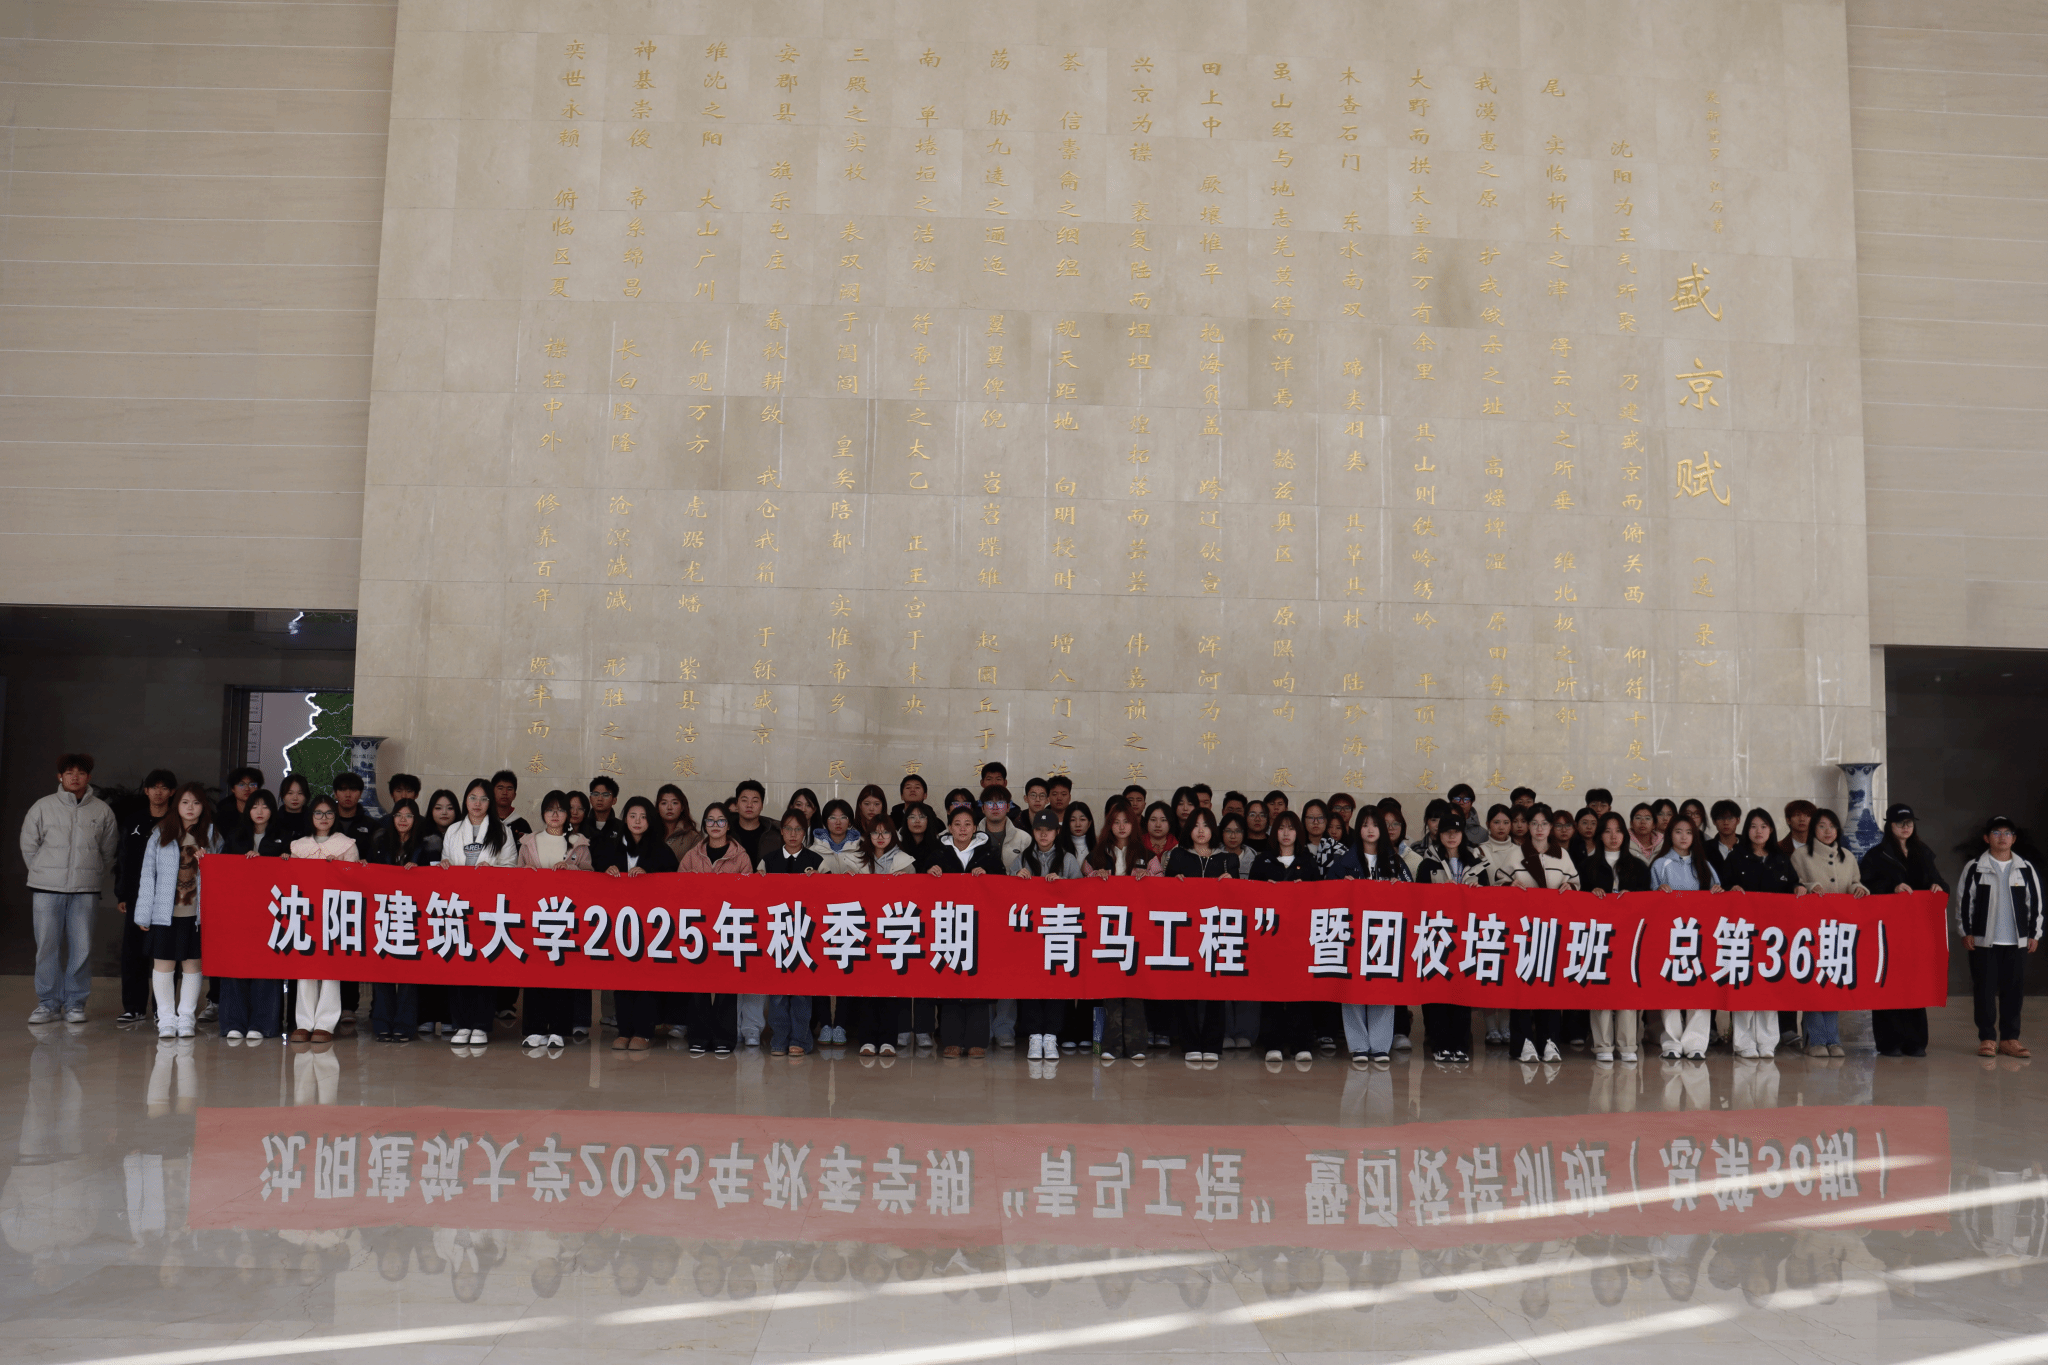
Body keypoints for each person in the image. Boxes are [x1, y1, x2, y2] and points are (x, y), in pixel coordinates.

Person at [20, 752, 118, 1024]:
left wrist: (91, 873)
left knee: (81, 949)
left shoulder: (102, 810)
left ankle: (75, 1004)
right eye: (69, 772)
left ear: (89, 777)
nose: (75, 777)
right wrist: (44, 872)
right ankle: (48, 1004)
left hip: (84, 891)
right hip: (46, 890)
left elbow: (108, 851)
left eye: (81, 773)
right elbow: (29, 845)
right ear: (60, 777)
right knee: (46, 948)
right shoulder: (42, 807)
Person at [1860, 803, 1948, 1057]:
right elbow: (1866, 887)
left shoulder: (1923, 852)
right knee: (1887, 981)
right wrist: (1893, 887)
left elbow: (1940, 882)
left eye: (1909, 823)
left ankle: (1915, 1041)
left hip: (1917, 930)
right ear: (1889, 826)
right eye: (1900, 823)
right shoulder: (1876, 855)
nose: (1905, 827)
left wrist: (1937, 886)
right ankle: (1889, 1042)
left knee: (1914, 982)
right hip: (1887, 931)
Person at [133, 782, 219, 1040]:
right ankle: (166, 1019)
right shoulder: (161, 833)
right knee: (163, 965)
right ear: (176, 805)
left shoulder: (212, 835)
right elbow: (148, 874)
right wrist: (143, 913)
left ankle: (186, 1018)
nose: (190, 808)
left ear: (203, 807)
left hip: (197, 915)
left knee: (193, 965)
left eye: (196, 802)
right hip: (164, 913)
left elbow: (222, 875)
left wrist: (208, 861)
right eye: (185, 802)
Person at [438, 778, 517, 1046]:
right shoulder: (453, 830)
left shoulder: (502, 831)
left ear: (490, 803)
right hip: (458, 907)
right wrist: (444, 864)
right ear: (465, 800)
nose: (477, 803)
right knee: (459, 965)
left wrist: (493, 871)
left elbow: (511, 867)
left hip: (488, 907)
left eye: (483, 799)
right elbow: (446, 861)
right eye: (473, 797)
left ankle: (481, 1024)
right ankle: (461, 1024)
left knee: (484, 966)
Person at [1955, 814, 2041, 1059]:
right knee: (1984, 991)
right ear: (1986, 838)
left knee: (2013, 992)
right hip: (1984, 942)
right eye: (1996, 833)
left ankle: (2010, 1040)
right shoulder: (1975, 867)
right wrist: (1966, 931)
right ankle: (1987, 1039)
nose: (2002, 837)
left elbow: (2035, 903)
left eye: (2007, 833)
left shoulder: (2025, 868)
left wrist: (2034, 934)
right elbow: (1964, 902)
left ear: (2014, 839)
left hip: (2016, 942)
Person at [596, 796, 677, 1052]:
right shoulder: (612, 847)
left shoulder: (661, 849)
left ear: (650, 820)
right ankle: (624, 1031)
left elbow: (674, 884)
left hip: (651, 927)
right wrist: (607, 873)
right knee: (622, 979)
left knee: (646, 980)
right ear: (625, 818)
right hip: (620, 925)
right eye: (632, 816)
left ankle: (644, 1031)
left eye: (643, 817)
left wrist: (650, 877)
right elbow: (595, 879)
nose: (637, 821)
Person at [514, 791, 591, 1050]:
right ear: (543, 813)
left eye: (560, 810)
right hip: (535, 917)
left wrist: (572, 869)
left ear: (568, 814)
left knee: (562, 974)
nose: (555, 815)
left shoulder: (579, 844)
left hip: (565, 917)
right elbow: (515, 878)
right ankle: (534, 1029)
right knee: (535, 973)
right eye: (550, 809)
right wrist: (524, 873)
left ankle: (559, 1029)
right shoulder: (529, 842)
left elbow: (591, 877)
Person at [925, 806, 1003, 1057]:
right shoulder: (937, 854)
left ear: (975, 828)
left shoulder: (989, 853)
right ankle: (951, 1040)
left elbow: (1002, 884)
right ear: (949, 827)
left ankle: (977, 1040)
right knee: (950, 980)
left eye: (967, 824)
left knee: (978, 982)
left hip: (980, 927)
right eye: (957, 824)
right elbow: (922, 889)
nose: (962, 829)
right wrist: (930, 873)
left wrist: (988, 876)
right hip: (948, 925)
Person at [1722, 808, 1799, 1058]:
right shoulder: (1735, 858)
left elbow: (1792, 885)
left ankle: (1767, 1041)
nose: (1759, 831)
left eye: (1764, 826)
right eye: (1754, 826)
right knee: (1745, 987)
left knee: (1769, 986)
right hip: (1743, 933)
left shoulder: (1781, 859)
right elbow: (1722, 888)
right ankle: (1743, 1042)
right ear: (1747, 830)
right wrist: (1731, 889)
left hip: (1773, 935)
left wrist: (1799, 888)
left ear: (1771, 830)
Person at [1790, 807, 1866, 1058]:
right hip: (1811, 929)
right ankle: (1816, 1039)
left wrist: (1858, 888)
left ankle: (1833, 1039)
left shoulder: (1848, 856)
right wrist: (1809, 886)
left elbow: (1854, 881)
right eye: (1822, 826)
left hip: (1839, 930)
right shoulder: (1801, 855)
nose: (1827, 831)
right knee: (1814, 984)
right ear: (1814, 829)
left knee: (1833, 983)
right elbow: (1794, 883)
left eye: (1832, 826)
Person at [288, 794, 362, 1042]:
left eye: (329, 813)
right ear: (311, 816)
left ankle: (326, 1023)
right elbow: (290, 879)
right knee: (305, 966)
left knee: (331, 967)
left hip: (335, 911)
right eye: (318, 813)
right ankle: (304, 1023)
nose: (324, 818)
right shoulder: (298, 846)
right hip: (306, 910)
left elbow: (354, 879)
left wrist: (340, 868)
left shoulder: (346, 845)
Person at [679, 802, 752, 1055]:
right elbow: (679, 888)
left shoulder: (741, 857)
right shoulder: (692, 856)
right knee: (697, 984)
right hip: (697, 927)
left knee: (726, 984)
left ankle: (724, 1038)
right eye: (710, 820)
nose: (715, 825)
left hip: (728, 926)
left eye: (721, 820)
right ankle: (698, 1036)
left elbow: (748, 893)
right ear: (704, 825)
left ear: (728, 825)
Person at [1510, 808, 1578, 1062]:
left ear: (1551, 827)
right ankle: (1523, 1043)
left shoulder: (1562, 855)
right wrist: (1509, 887)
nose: (1539, 829)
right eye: (1534, 823)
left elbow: (1575, 885)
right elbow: (1498, 887)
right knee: (1522, 987)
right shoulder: (1515, 854)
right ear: (1527, 826)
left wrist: (1570, 887)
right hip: (1523, 930)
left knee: (1550, 987)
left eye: (1544, 824)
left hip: (1553, 930)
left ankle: (1550, 1041)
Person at [218, 788, 287, 1040]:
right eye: (255, 806)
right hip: (238, 911)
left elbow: (289, 873)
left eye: (265, 806)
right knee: (235, 965)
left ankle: (263, 1024)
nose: (259, 811)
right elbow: (222, 869)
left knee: (266, 967)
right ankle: (233, 1023)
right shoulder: (235, 836)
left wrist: (273, 859)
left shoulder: (283, 837)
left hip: (270, 913)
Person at [1650, 815, 1721, 1060]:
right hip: (1670, 936)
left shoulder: (1704, 865)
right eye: (1678, 831)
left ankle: (1696, 1043)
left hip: (1699, 936)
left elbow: (1717, 897)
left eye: (1689, 832)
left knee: (1699, 987)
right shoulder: (1660, 865)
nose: (1683, 837)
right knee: (1669, 988)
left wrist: (1717, 891)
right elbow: (1649, 901)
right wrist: (1658, 892)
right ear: (1670, 835)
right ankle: (1671, 1041)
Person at [1579, 812, 1649, 1062]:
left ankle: (1628, 1044)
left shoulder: (1638, 866)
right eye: (1607, 831)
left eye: (1618, 830)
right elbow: (1577, 901)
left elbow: (1648, 902)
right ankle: (1603, 1045)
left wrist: (1633, 898)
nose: (1613, 836)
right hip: (1598, 935)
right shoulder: (1587, 865)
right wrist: (1592, 895)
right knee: (1600, 988)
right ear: (1600, 835)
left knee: (1627, 988)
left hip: (1629, 936)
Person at [1252, 811, 1319, 1063]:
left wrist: (1306, 891)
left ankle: (1302, 1044)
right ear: (1274, 832)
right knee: (1271, 993)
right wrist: (1264, 891)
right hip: (1270, 937)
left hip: (1300, 939)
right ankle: (1273, 1044)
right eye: (1281, 828)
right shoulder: (1262, 861)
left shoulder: (1307, 861)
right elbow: (1249, 896)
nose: (1286, 833)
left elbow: (1321, 897)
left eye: (1291, 828)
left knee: (1299, 993)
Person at [114, 768, 178, 1024]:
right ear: (146, 791)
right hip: (136, 896)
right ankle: (134, 1007)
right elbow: (123, 859)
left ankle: (163, 1010)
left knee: (166, 953)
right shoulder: (134, 821)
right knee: (133, 954)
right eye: (154, 787)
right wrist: (122, 894)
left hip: (168, 898)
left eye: (164, 788)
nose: (159, 792)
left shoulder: (176, 821)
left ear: (172, 792)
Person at [1414, 823, 1477, 1063]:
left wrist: (1478, 890)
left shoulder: (1476, 863)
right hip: (1436, 933)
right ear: (1439, 835)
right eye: (1447, 832)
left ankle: (1460, 1045)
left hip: (1466, 935)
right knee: (1437, 990)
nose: (1452, 836)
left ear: (1463, 835)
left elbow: (1490, 899)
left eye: (1456, 832)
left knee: (1462, 991)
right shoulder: (1428, 864)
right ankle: (1439, 1044)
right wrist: (1440, 891)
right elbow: (1418, 896)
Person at [330, 772, 380, 857]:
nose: (348, 795)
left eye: (353, 790)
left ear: (360, 794)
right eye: (343, 790)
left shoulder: (372, 826)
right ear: (335, 794)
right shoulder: (326, 822)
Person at [979, 786, 1031, 863]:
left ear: (1008, 807)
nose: (995, 807)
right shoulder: (972, 837)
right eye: (990, 803)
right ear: (983, 808)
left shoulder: (1024, 838)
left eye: (1000, 803)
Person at [217, 765, 262, 848]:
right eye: (241, 784)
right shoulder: (223, 813)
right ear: (232, 788)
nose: (247, 788)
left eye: (252, 784)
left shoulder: (264, 811)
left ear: (258, 788)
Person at [727, 780, 770, 863]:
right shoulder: (726, 832)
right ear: (737, 804)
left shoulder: (774, 834)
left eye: (755, 801)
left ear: (762, 806)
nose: (749, 805)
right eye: (744, 800)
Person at [657, 783, 700, 862]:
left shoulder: (693, 837)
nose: (669, 807)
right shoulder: (649, 833)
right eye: (664, 803)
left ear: (682, 808)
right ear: (657, 808)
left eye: (675, 803)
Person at [491, 770, 533, 842]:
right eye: (500, 788)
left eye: (509, 789)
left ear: (514, 795)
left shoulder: (522, 825)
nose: (505, 792)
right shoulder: (485, 820)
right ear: (492, 792)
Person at [275, 773, 314, 842]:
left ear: (306, 796)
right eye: (290, 793)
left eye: (300, 793)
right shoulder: (273, 820)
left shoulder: (314, 820)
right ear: (282, 795)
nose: (295, 798)